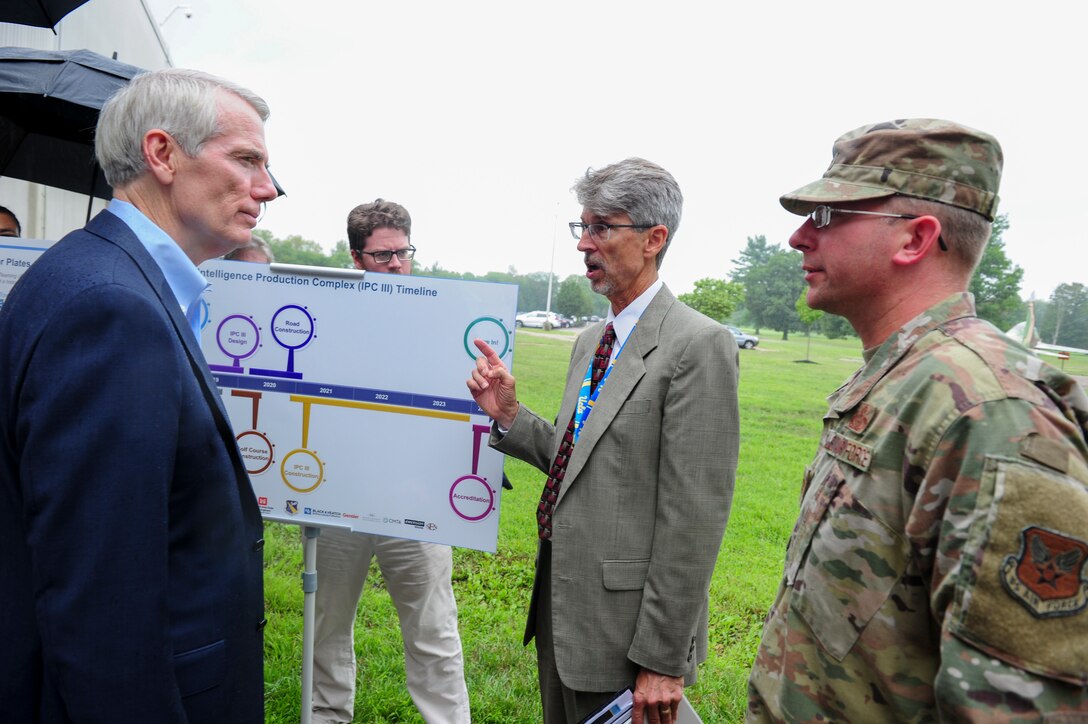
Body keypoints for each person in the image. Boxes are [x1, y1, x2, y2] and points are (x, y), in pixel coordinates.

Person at [746, 119, 1088, 721]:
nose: (800, 237)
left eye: (827, 217)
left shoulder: (992, 416)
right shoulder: (907, 378)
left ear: (914, 240)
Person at [0, 68, 277, 723]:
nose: (265, 188)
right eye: (246, 159)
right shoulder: (110, 309)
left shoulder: (103, 277)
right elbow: (103, 608)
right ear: (162, 154)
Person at [468, 158, 739, 724]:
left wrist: (663, 660)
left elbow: (694, 516)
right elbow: (581, 460)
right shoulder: (594, 340)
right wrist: (512, 416)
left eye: (601, 228)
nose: (583, 244)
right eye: (580, 227)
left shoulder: (698, 344)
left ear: (653, 239)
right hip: (563, 612)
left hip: (628, 632)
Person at [310, 198, 471, 724]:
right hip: (338, 496)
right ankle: (328, 717)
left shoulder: (443, 318)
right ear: (356, 258)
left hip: (415, 500)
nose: (398, 264)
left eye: (405, 252)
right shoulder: (325, 315)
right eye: (383, 256)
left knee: (434, 631)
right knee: (326, 624)